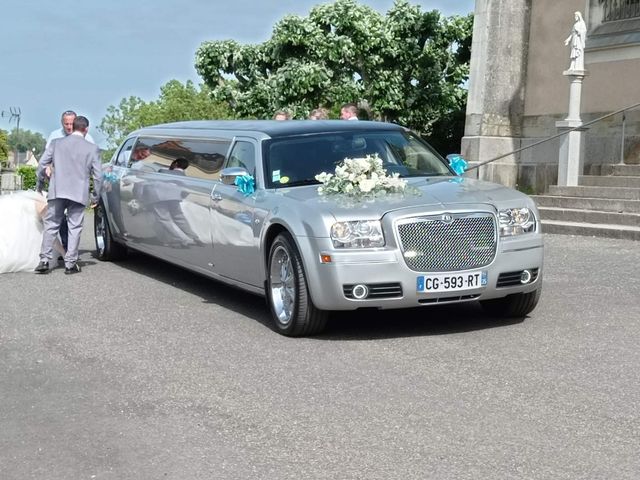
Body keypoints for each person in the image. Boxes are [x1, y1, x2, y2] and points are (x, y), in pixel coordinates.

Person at [34, 116, 102, 275]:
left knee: (51, 225)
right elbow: (98, 176)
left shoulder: (56, 144)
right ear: (86, 129)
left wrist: (40, 184)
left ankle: (44, 260)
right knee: (75, 227)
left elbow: (42, 165)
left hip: (57, 191)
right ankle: (70, 264)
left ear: (73, 127)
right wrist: (95, 196)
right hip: (78, 193)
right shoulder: (92, 148)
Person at [0, 191, 64, 273]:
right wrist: (64, 254)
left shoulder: (38, 198)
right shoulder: (43, 206)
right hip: (11, 216)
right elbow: (51, 234)